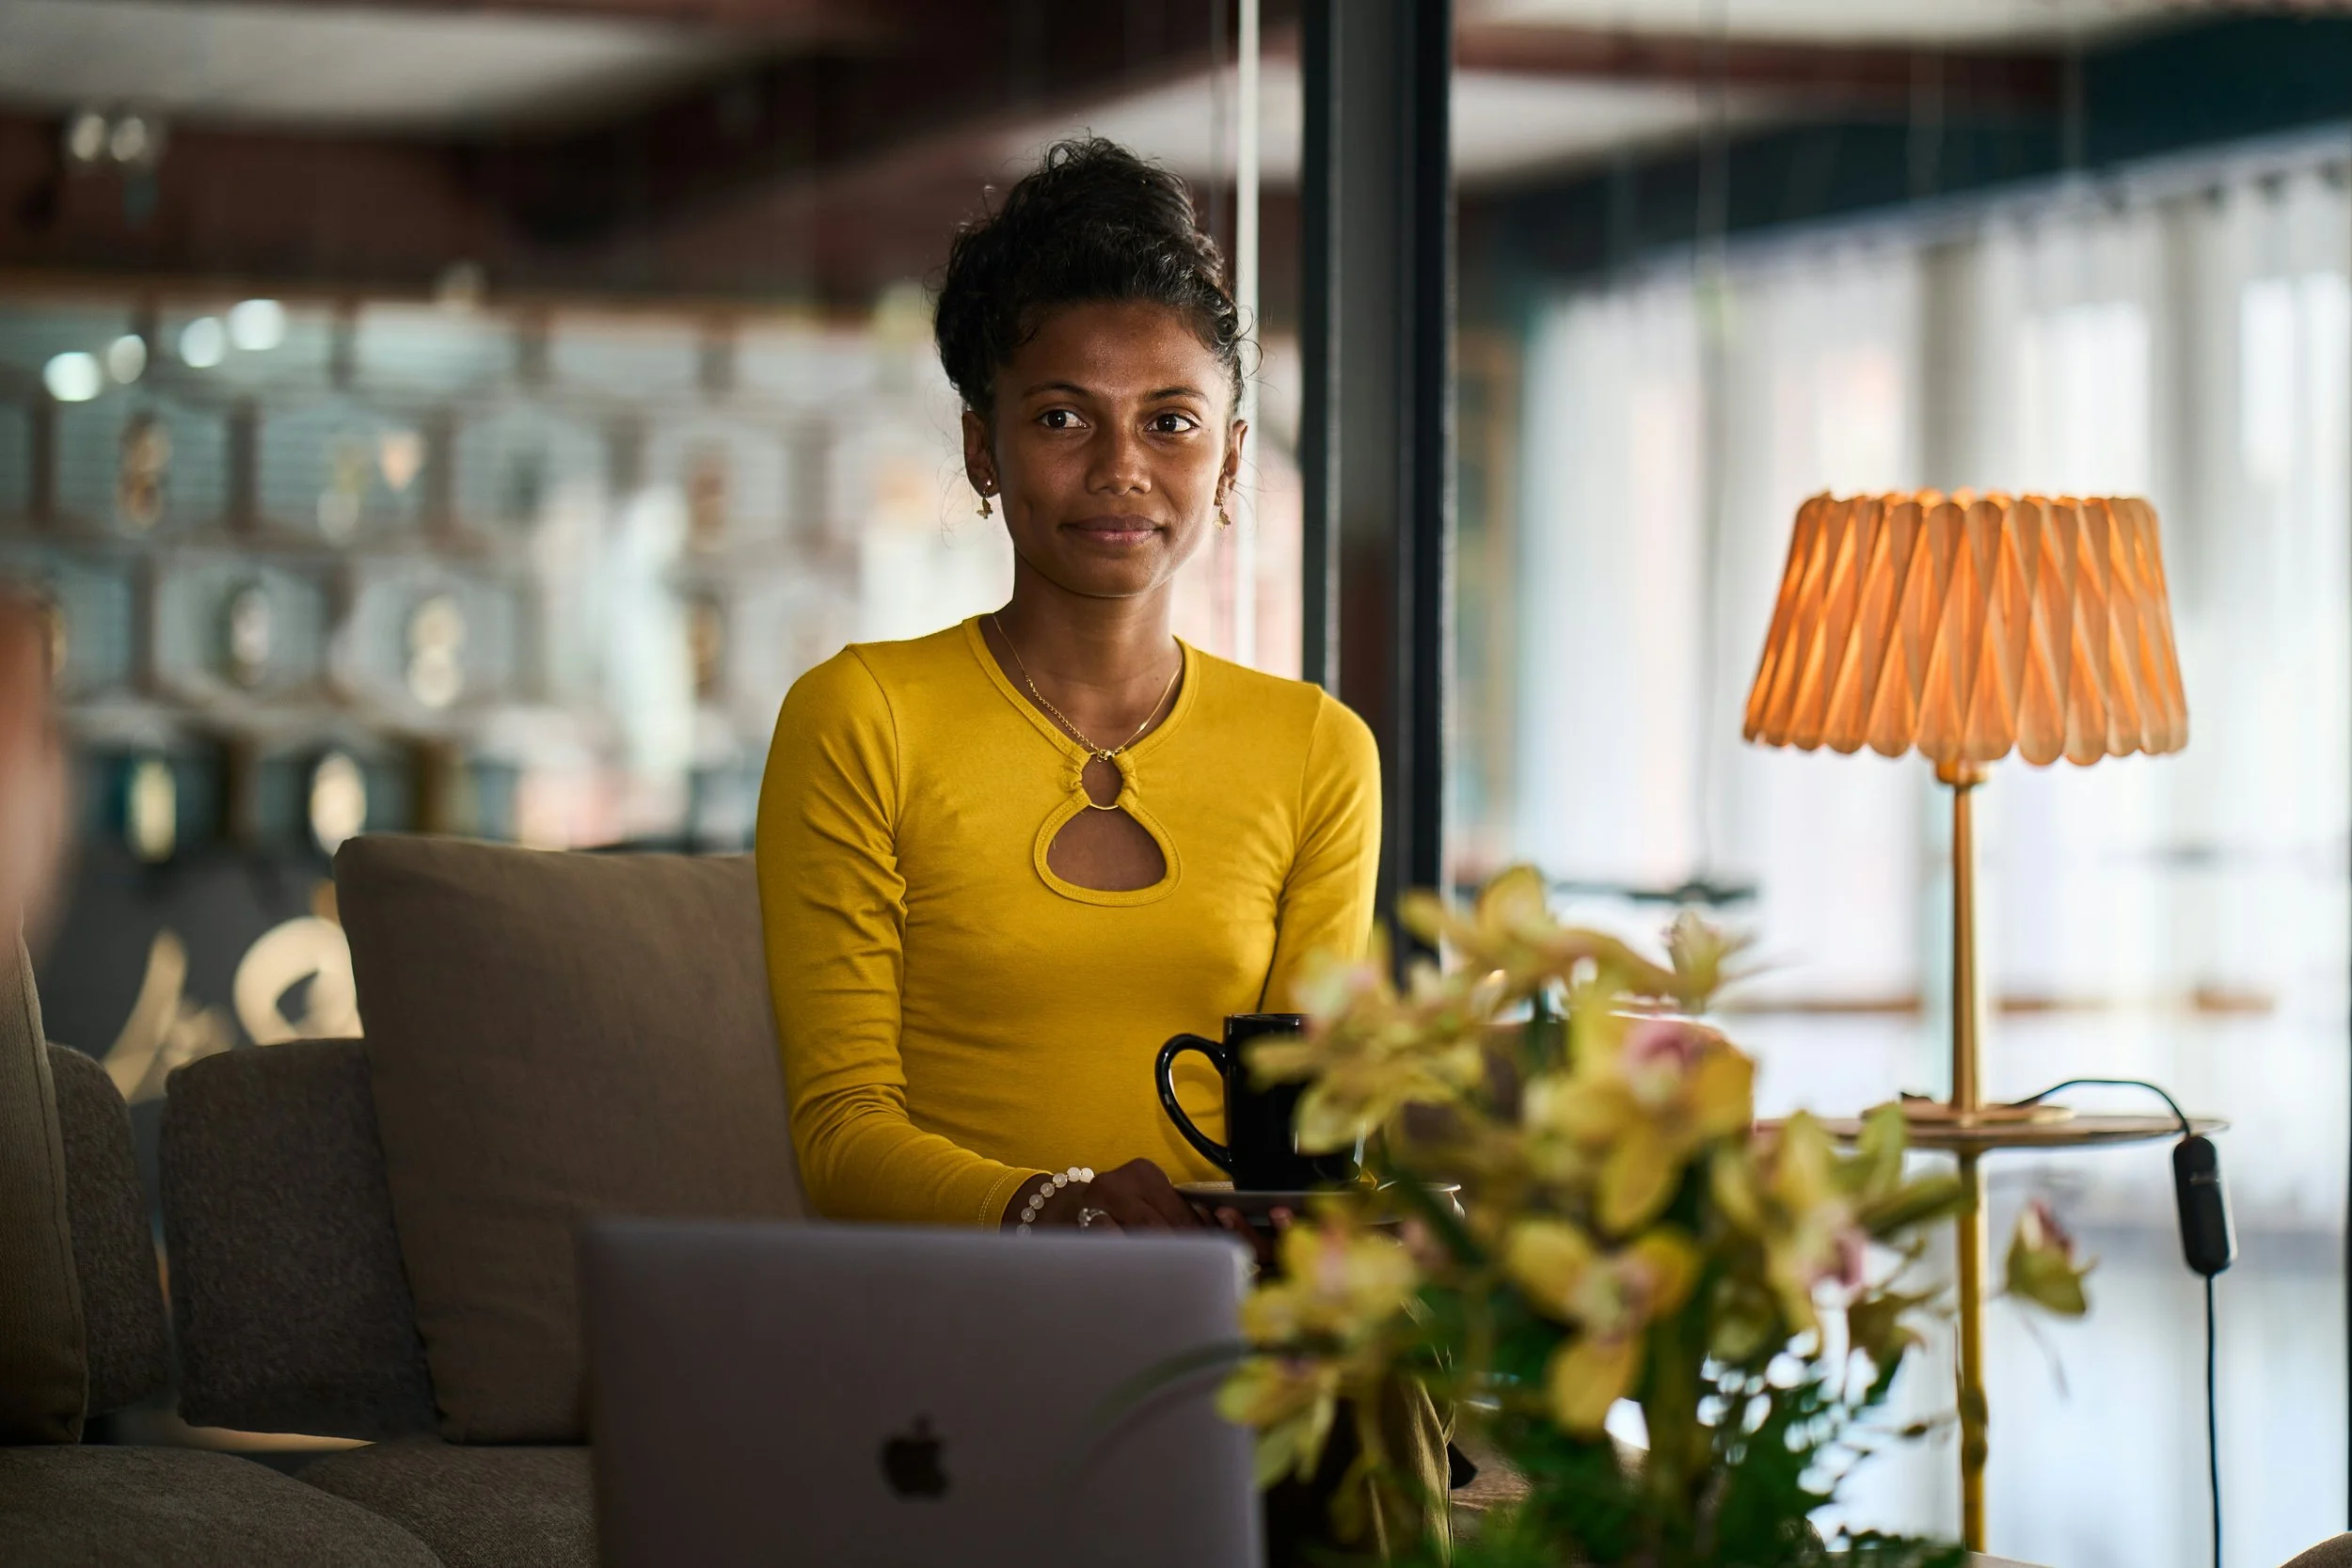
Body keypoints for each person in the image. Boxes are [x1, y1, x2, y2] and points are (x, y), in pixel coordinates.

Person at [755, 137, 1445, 1560]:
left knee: (1355, 1361)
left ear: (1234, 453)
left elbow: (1302, 1129)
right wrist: (1054, 1209)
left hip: (1225, 1327)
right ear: (981, 445)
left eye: (1173, 423)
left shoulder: (1322, 753)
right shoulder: (860, 718)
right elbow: (840, 1138)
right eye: (1065, 418)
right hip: (959, 1312)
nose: (1123, 469)